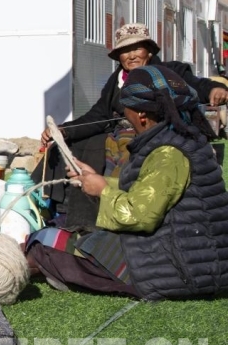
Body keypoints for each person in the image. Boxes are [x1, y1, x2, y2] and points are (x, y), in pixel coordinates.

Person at [28, 64, 228, 299]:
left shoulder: (168, 153)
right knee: (65, 242)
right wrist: (99, 180)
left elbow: (139, 216)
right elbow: (150, 192)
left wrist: (102, 191)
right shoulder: (180, 140)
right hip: (193, 260)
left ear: (142, 114)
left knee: (45, 245)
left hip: (180, 270)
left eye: (127, 109)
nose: (125, 115)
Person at [38, 23, 228, 221]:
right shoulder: (116, 81)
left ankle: (111, 207)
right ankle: (64, 211)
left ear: (149, 51)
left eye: (137, 48)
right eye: (125, 50)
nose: (131, 55)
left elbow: (198, 85)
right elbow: (98, 115)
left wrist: (215, 89)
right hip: (118, 134)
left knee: (128, 157)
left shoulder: (169, 72)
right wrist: (64, 131)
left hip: (160, 134)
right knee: (70, 149)